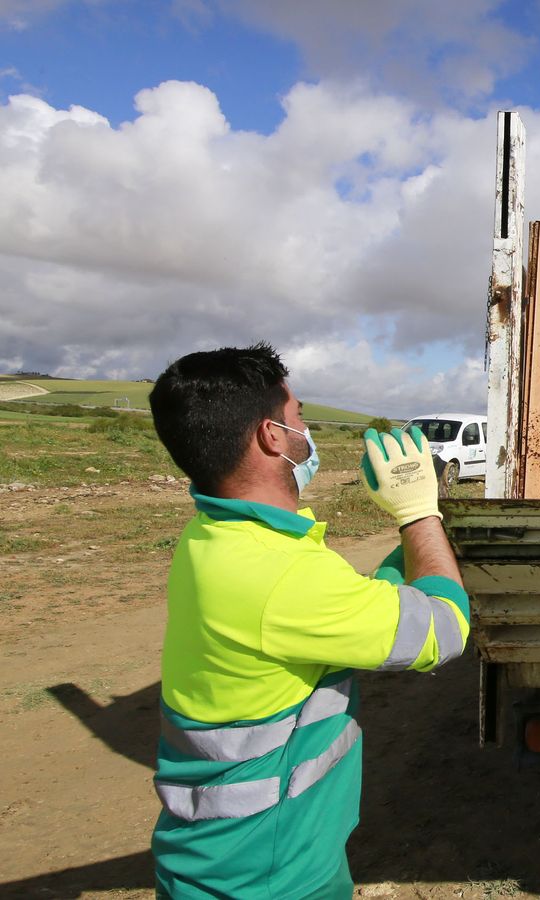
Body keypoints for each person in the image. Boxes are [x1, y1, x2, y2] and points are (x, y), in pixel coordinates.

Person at [146, 343, 469, 899]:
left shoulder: (218, 539)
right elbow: (442, 630)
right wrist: (419, 514)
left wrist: (412, 548)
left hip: (225, 857)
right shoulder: (280, 577)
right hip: (267, 874)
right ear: (272, 436)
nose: (305, 430)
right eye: (298, 417)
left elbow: (346, 610)